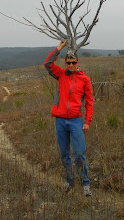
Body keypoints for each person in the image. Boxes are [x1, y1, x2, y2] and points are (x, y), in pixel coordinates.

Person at [44, 40, 93, 196]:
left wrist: (87, 122)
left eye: (74, 62)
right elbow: (47, 63)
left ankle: (85, 183)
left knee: (79, 154)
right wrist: (59, 49)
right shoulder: (61, 75)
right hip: (60, 121)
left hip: (76, 121)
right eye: (69, 62)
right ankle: (69, 180)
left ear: (78, 63)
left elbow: (90, 102)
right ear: (65, 63)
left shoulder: (84, 79)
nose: (71, 65)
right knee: (64, 154)